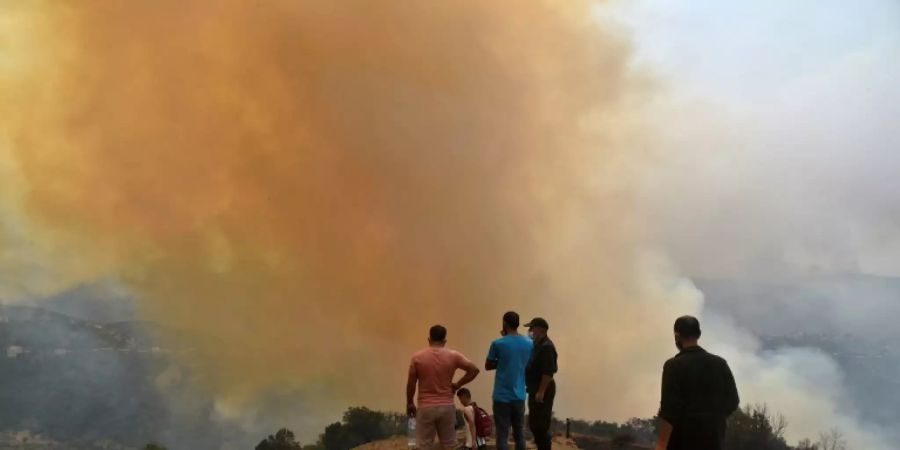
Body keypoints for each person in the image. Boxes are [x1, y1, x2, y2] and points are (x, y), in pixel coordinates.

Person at [655, 315, 740, 450]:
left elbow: (669, 411)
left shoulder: (673, 366)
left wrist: (660, 446)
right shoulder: (720, 364)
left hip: (682, 443)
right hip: (714, 442)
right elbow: (733, 401)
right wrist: (714, 420)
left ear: (677, 336)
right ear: (699, 334)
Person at [407, 325, 481, 450]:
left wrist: (409, 403)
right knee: (450, 446)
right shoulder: (453, 356)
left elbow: (411, 383)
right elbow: (474, 370)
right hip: (446, 407)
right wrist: (458, 384)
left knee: (424, 446)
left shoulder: (417, 358)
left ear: (429, 339)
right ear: (444, 341)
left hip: (425, 407)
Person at [485, 311, 533, 450]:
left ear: (504, 323)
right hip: (519, 395)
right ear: (518, 324)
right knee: (519, 433)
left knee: (502, 434)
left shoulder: (498, 343)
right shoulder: (529, 343)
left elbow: (488, 365)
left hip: (501, 396)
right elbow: (529, 363)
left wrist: (502, 361)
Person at [525, 317, 558, 450]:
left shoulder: (547, 347)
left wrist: (541, 391)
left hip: (543, 388)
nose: (530, 331)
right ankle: (542, 445)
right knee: (534, 424)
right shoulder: (537, 345)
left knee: (541, 425)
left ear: (540, 330)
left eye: (532, 328)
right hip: (535, 388)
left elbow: (548, 372)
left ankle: (545, 446)